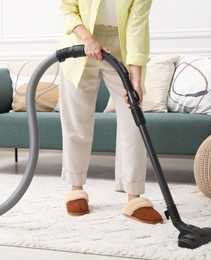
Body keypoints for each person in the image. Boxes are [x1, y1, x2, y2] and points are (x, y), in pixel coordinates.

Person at [59, 0, 163, 224]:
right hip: (81, 42)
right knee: (77, 119)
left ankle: (133, 197)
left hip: (120, 45)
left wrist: (135, 78)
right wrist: (88, 39)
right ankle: (76, 189)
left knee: (133, 119)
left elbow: (137, 27)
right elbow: (68, 8)